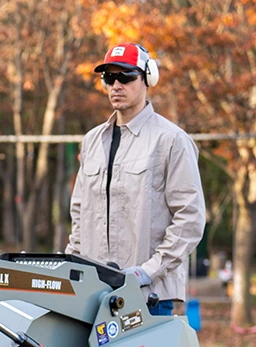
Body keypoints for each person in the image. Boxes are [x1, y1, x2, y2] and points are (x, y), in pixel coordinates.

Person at [64, 43, 206, 316]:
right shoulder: (92, 141)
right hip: (94, 297)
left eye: (126, 76)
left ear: (147, 79)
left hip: (149, 297)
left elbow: (190, 219)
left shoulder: (171, 140)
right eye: (109, 77)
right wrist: (74, 267)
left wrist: (148, 271)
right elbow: (80, 213)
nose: (116, 85)